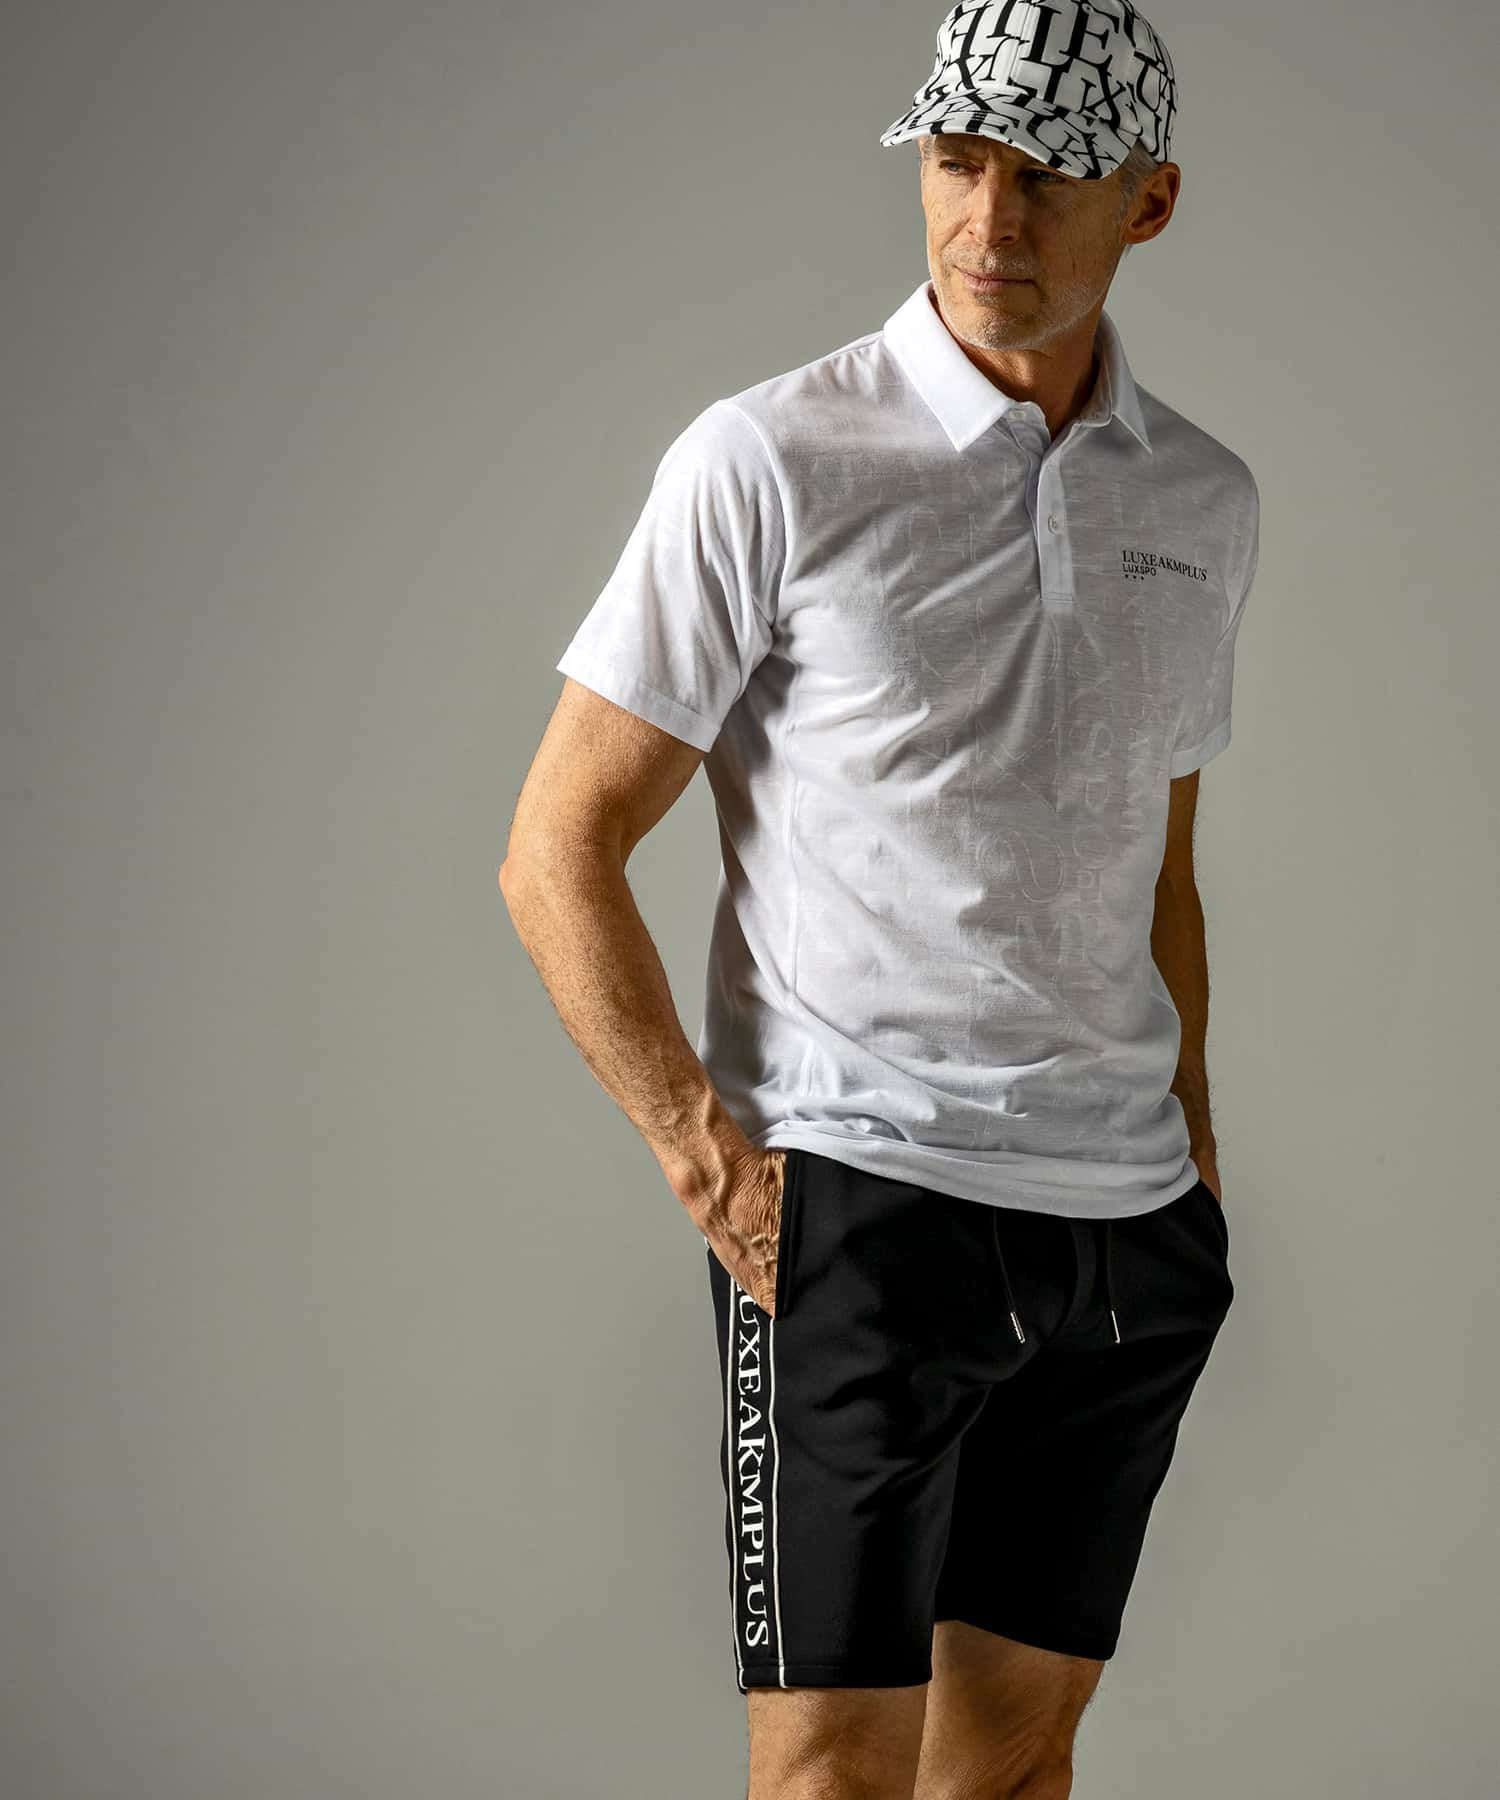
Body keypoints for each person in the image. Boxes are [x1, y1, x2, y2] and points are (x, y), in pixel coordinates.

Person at [501, 0, 1258, 1791]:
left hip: (1123, 1228)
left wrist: (1197, 1162)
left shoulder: (1202, 499)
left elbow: (1156, 862)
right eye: (958, 161)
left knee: (1015, 1766)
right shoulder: (771, 459)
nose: (992, 220)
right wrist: (709, 1158)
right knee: (833, 1772)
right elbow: (557, 844)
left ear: (1148, 202)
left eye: (1049, 174)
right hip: (862, 1200)